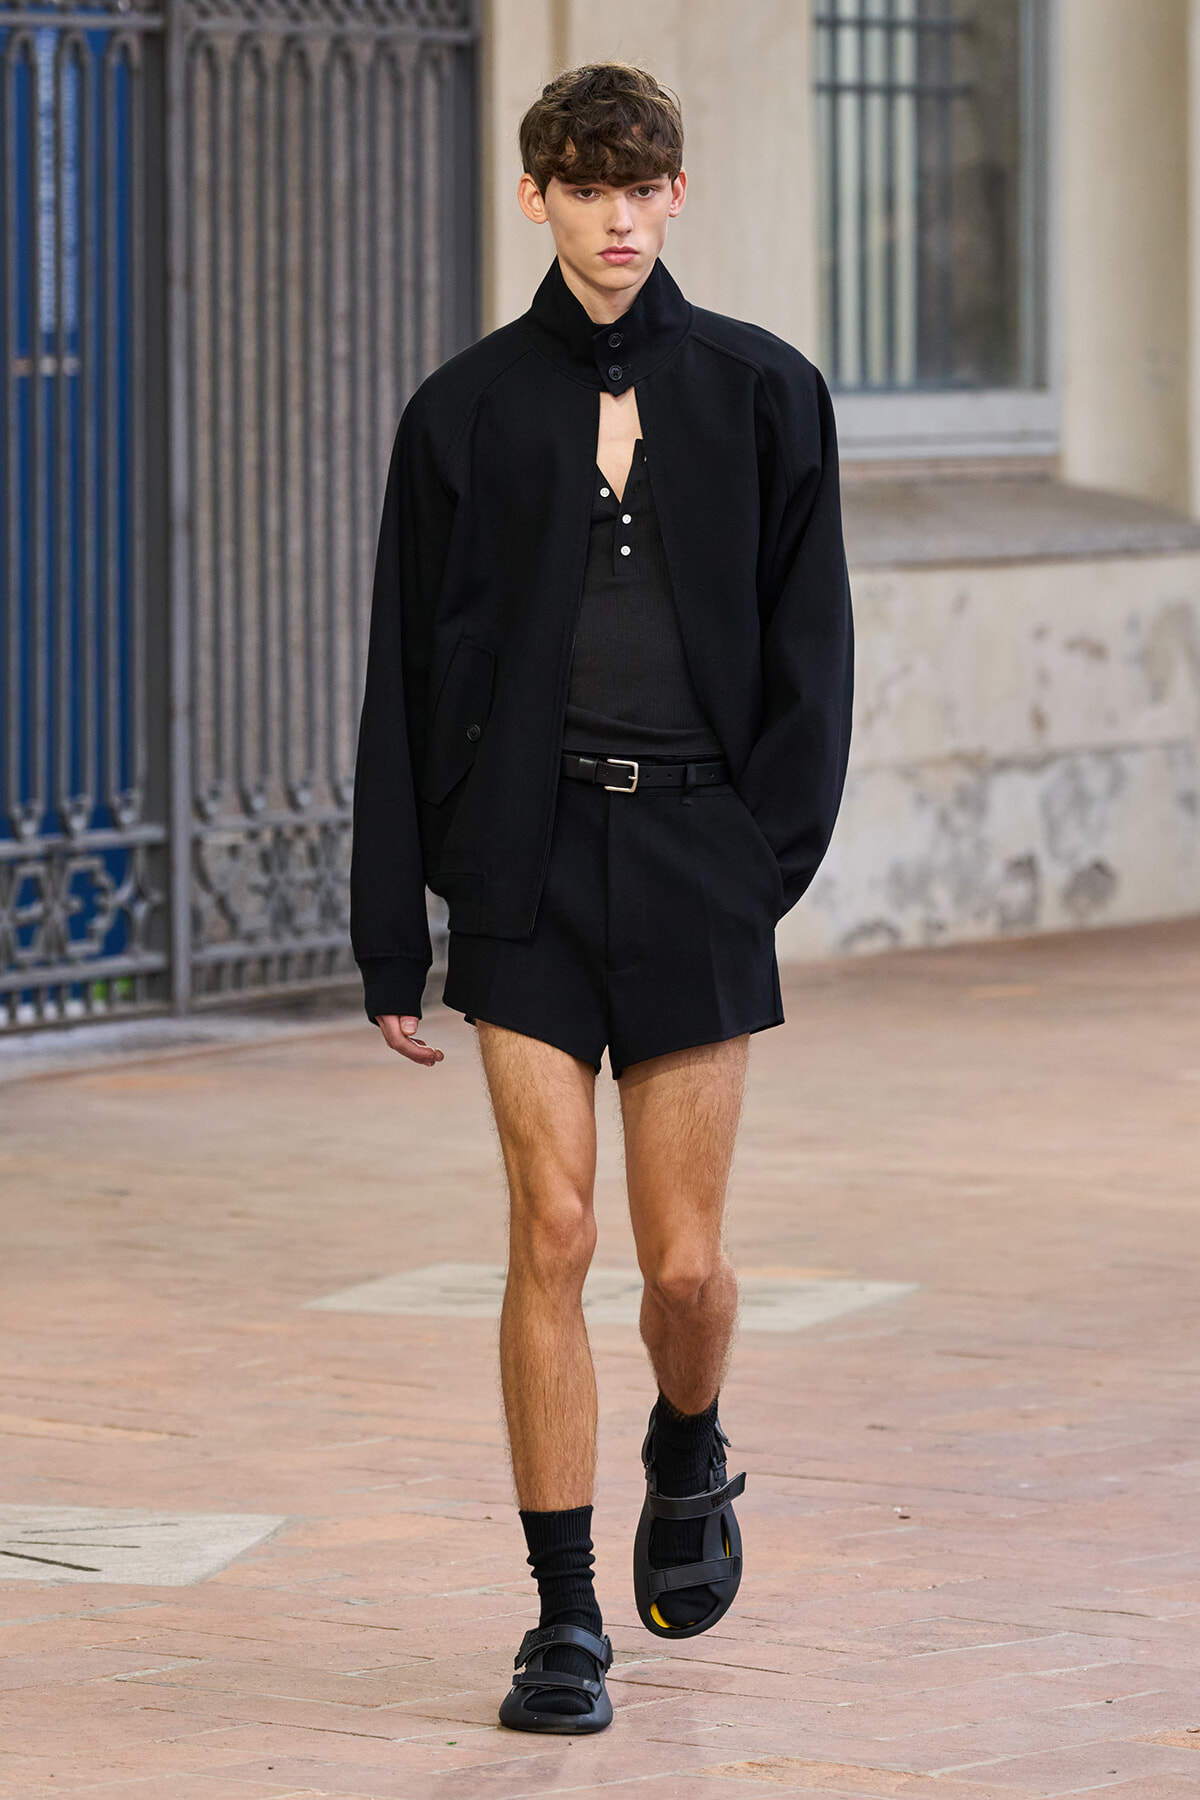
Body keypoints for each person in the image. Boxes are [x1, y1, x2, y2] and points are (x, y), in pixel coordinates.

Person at [350, 62, 853, 1735]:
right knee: (552, 1232)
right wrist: (386, 928)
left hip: (701, 861)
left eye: (641, 188)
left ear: (678, 195)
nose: (617, 218)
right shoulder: (465, 412)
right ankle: (564, 1620)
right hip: (526, 871)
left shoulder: (768, 395)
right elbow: (403, 684)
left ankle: (689, 1441)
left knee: (687, 1269)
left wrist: (759, 862)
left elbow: (812, 662)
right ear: (538, 201)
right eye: (585, 188)